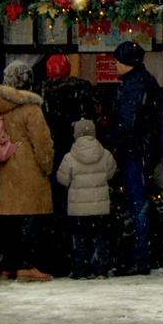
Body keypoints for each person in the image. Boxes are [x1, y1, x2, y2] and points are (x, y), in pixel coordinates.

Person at [0, 60, 57, 282]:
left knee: (7, 220)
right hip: (27, 169)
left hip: (1, 168)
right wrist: (48, 166)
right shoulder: (32, 109)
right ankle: (26, 267)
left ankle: (7, 266)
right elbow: (42, 142)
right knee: (28, 219)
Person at [109, 40, 163, 276]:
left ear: (126, 62)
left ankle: (140, 258)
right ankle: (144, 255)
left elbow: (127, 123)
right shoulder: (145, 81)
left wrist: (114, 148)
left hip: (135, 153)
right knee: (141, 203)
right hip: (143, 152)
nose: (115, 65)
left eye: (117, 61)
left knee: (138, 205)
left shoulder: (134, 85)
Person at [57, 119, 117, 278]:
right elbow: (111, 173)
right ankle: (100, 269)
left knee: (80, 238)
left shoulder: (69, 157)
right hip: (100, 206)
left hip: (78, 208)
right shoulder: (105, 154)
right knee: (99, 237)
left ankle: (80, 269)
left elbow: (62, 179)